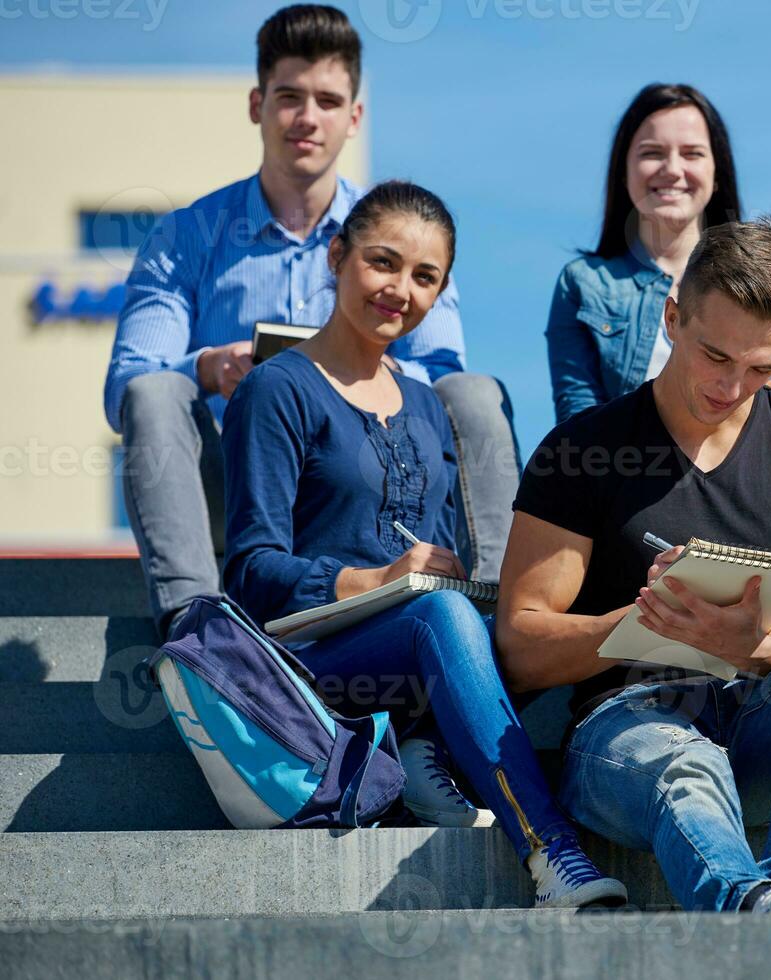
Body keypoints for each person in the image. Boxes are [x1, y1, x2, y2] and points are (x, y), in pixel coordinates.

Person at [221, 180, 625, 908]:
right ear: (336, 257)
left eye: (424, 277)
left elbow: (436, 552)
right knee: (441, 619)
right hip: (310, 664)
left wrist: (453, 577)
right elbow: (250, 573)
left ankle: (427, 750)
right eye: (382, 262)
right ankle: (550, 850)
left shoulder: (428, 408)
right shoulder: (275, 389)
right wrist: (375, 579)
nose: (399, 290)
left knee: (532, 618)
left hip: (417, 650)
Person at [495, 219, 771, 913]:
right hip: (628, 730)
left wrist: (748, 647)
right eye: (716, 356)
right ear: (672, 318)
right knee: (689, 762)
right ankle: (761, 908)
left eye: (763, 369)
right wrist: (641, 626)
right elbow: (520, 647)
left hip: (762, 719)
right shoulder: (582, 450)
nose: (733, 386)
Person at [104, 4, 519, 637]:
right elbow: (125, 385)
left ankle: (491, 607)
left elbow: (439, 376)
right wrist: (212, 368)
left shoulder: (401, 235)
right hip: (239, 486)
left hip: (361, 485)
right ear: (257, 104)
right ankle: (197, 629)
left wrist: (338, 374)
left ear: (354, 116)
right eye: (289, 96)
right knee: (154, 390)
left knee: (472, 391)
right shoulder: (186, 235)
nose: (307, 118)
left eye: (327, 100)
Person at [547, 83, 741, 423]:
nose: (673, 169)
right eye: (652, 153)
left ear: (717, 173)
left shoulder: (759, 280)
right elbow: (577, 422)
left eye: (692, 153)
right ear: (624, 171)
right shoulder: (583, 284)